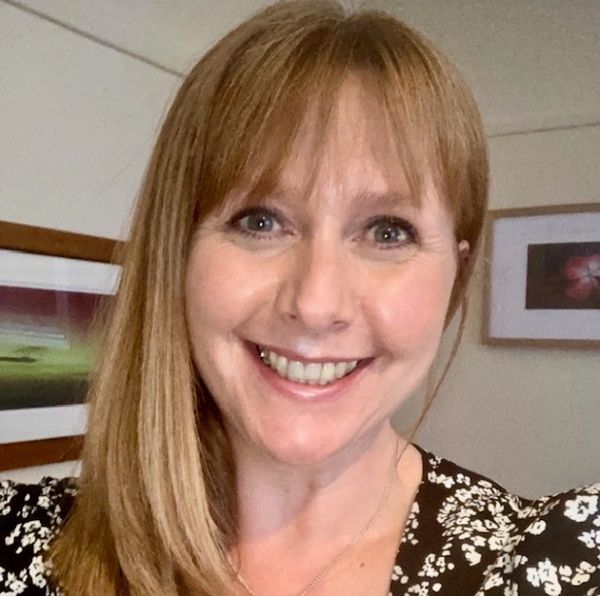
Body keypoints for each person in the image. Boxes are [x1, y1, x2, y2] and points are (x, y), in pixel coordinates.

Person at [1, 1, 599, 594]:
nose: (315, 303)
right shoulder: (22, 541)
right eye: (260, 221)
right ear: (176, 253)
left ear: (455, 277)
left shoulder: (552, 565)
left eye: (388, 231)